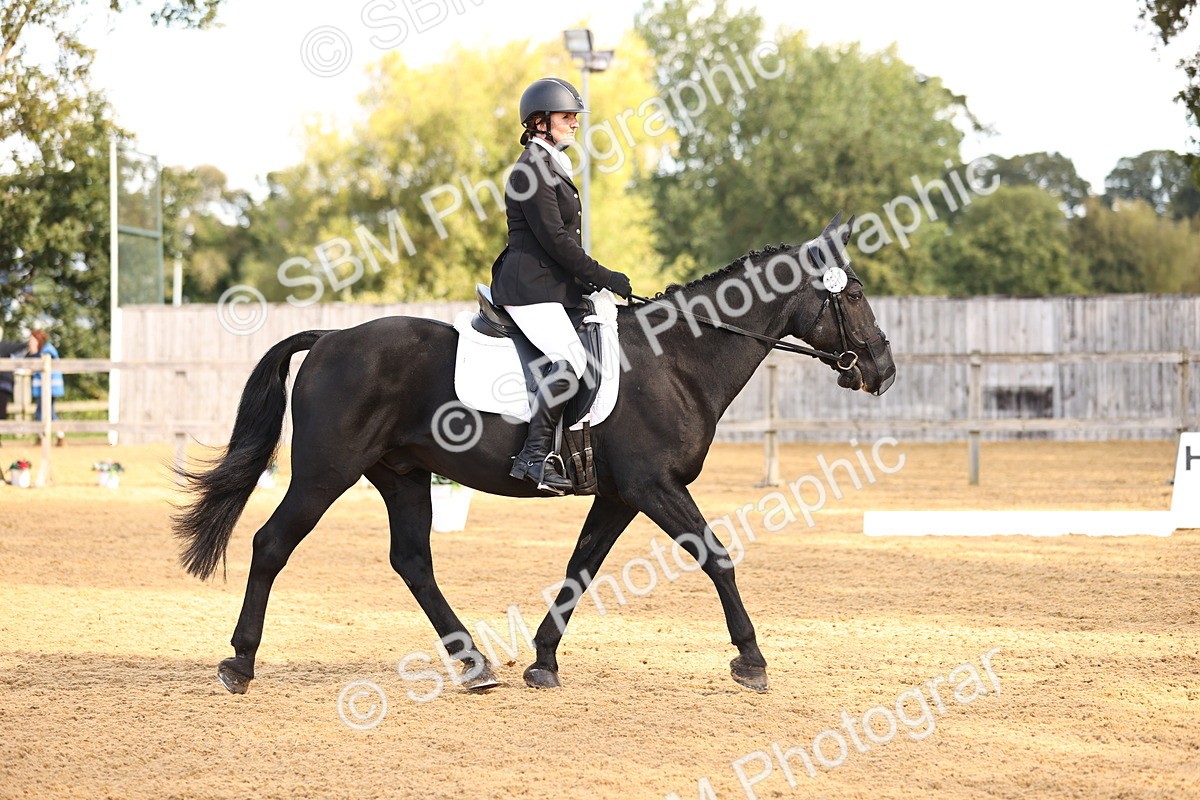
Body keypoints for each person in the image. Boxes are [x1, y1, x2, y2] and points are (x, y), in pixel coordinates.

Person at [490, 77, 633, 495]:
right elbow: (555, 239)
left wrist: (589, 285)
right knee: (570, 362)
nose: (574, 123)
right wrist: (603, 276)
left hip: (549, 286)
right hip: (528, 287)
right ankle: (533, 458)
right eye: (566, 116)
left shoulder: (551, 163)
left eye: (575, 116)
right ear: (540, 122)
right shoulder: (531, 169)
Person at [27, 329, 65, 446]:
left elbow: (43, 365)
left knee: (45, 413)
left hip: (49, 388)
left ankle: (53, 437)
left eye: (32, 341)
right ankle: (50, 436)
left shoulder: (47, 351)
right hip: (43, 389)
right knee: (44, 413)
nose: (30, 344)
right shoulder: (42, 351)